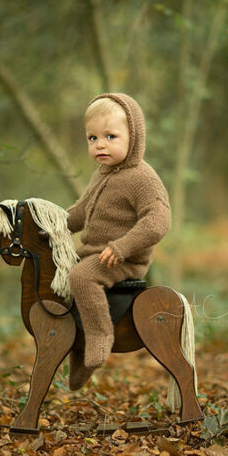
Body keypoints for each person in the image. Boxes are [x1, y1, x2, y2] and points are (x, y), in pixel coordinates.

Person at [65, 93, 171, 390]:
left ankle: (101, 336)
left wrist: (123, 246)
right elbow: (81, 212)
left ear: (133, 136)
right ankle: (76, 350)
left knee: (82, 276)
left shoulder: (142, 178)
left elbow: (158, 221)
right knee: (61, 277)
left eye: (110, 136)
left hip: (123, 260)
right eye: (92, 137)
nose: (100, 144)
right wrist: (52, 224)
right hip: (95, 253)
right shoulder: (102, 174)